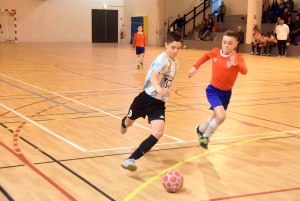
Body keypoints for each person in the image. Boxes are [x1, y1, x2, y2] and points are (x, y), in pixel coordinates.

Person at [120, 31, 182, 172]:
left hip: (158, 103)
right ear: (166, 44)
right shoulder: (162, 59)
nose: (175, 50)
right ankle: (123, 121)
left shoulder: (176, 63)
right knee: (128, 123)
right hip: (145, 99)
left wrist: (162, 93)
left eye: (178, 48)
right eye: (173, 47)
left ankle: (131, 159)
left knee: (158, 132)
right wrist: (159, 89)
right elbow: (154, 77)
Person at [187, 30, 248, 149]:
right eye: (224, 42)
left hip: (226, 93)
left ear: (236, 44)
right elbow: (205, 56)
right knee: (221, 116)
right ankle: (205, 137)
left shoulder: (238, 57)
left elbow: (244, 71)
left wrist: (235, 64)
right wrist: (195, 67)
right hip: (213, 90)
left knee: (215, 117)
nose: (226, 45)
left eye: (230, 43)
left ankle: (200, 129)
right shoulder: (215, 52)